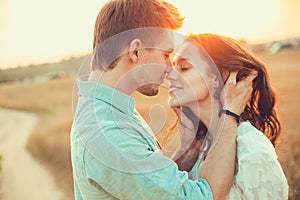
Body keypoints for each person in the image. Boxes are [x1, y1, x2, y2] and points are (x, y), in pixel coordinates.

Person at [70, 0, 254, 199]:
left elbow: (152, 186)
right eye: (166, 54)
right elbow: (199, 197)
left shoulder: (110, 110)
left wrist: (189, 149)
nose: (169, 67)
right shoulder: (107, 133)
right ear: (136, 51)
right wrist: (229, 115)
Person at [164, 33, 289, 199]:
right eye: (173, 67)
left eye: (184, 68)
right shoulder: (201, 147)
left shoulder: (251, 147)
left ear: (219, 76)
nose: (170, 75)